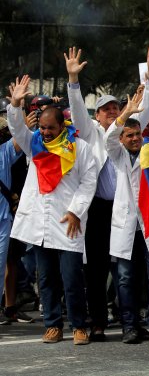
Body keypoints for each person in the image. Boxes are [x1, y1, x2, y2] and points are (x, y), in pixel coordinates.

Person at [66, 46, 149, 341]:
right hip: (98, 209)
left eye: (115, 108)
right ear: (98, 114)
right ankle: (97, 321)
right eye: (105, 109)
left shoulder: (128, 131)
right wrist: (72, 81)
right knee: (96, 269)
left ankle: (132, 318)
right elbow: (79, 109)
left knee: (131, 269)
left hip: (131, 210)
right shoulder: (90, 131)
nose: (111, 112)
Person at [6, 75, 97, 345]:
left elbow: (88, 181)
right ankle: (53, 325)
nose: (44, 133)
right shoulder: (34, 144)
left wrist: (76, 211)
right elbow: (16, 130)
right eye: (42, 128)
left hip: (69, 221)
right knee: (45, 279)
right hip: (41, 223)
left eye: (50, 129)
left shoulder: (79, 147)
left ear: (62, 125)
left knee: (71, 279)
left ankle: (80, 326)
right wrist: (15, 105)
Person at [106, 91, 149, 345]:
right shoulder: (117, 154)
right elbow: (108, 138)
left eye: (137, 135)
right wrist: (125, 113)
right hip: (126, 227)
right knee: (124, 279)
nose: (134, 139)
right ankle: (130, 326)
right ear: (122, 139)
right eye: (129, 136)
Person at [0, 116, 24, 322]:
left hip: (2, 221)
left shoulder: (4, 152)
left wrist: (22, 119)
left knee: (1, 269)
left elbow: (20, 138)